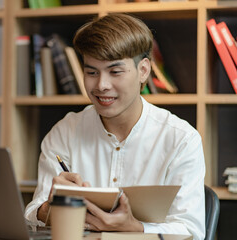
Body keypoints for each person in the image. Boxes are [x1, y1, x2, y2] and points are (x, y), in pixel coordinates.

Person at [24, 13, 205, 240]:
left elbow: (191, 232)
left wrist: (134, 228)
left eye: (115, 72)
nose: (101, 85)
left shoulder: (181, 139)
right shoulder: (65, 131)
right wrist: (50, 207)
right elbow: (33, 215)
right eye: (91, 72)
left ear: (144, 71)